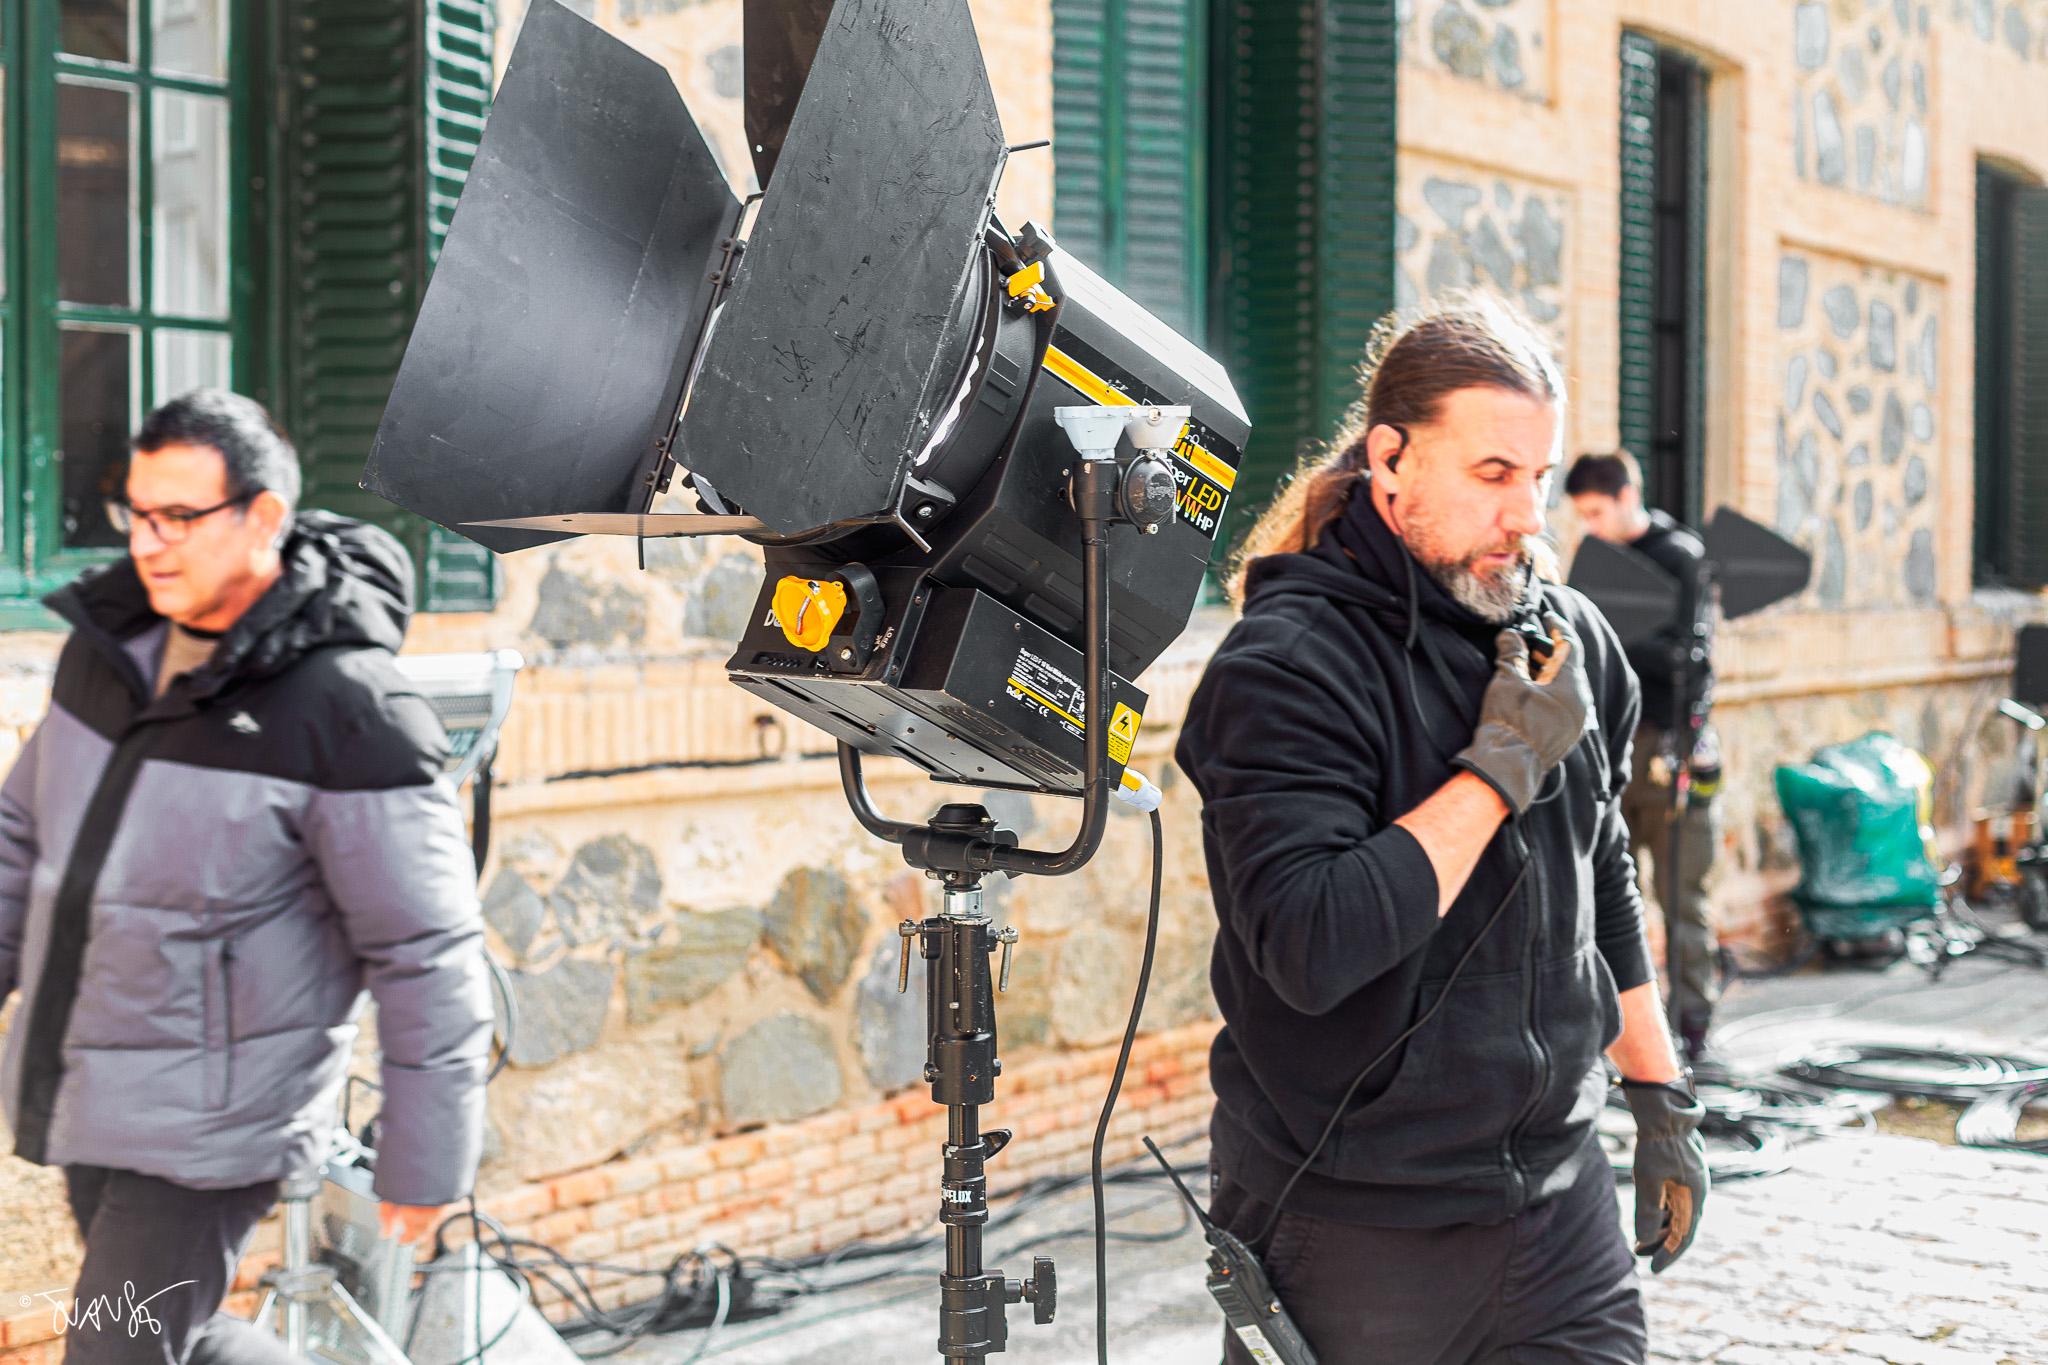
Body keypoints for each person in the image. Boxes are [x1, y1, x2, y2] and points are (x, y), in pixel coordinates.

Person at [1177, 294, 1707, 1365]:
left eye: (1538, 476)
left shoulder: (1566, 644)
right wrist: (1501, 768)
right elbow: (1312, 944)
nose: (1526, 517)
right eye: (1492, 474)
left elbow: (1599, 871)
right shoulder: (1287, 665)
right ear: (1391, 459)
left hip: (1558, 1214)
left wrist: (1658, 1095)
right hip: (1351, 1225)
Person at [0, 390, 493, 1365]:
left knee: (115, 1349)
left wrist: (423, 1157)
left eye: (180, 516)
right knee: (174, 1337)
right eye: (137, 513)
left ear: (264, 516)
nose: (149, 543)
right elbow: (21, 833)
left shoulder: (349, 709)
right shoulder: (107, 653)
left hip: (216, 1122)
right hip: (91, 1078)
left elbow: (425, 950)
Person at [1565, 450, 1722, 1061]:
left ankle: (1690, 1027)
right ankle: (1605, 1027)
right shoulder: (1595, 560)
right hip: (1605, 747)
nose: (1591, 526)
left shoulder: (1679, 556)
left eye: (1597, 512)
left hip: (1669, 745)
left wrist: (1616, 633)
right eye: (1582, 515)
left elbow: (1690, 659)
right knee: (1599, 890)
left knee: (1682, 896)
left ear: (1627, 496)